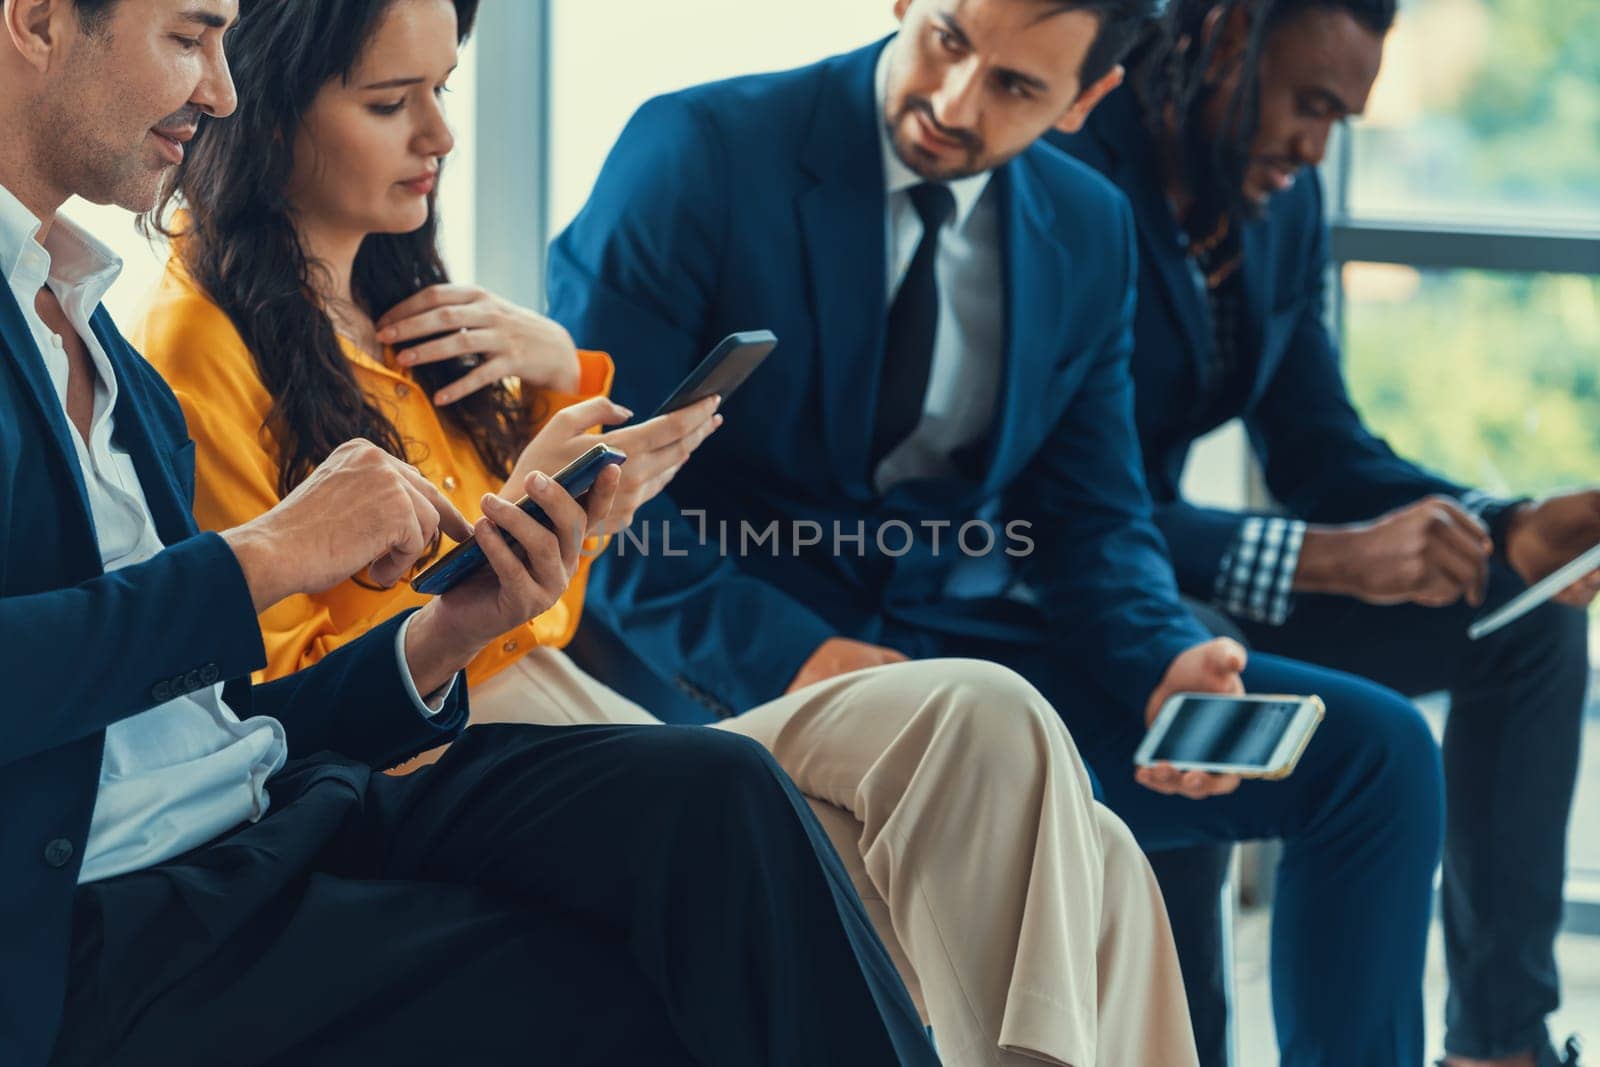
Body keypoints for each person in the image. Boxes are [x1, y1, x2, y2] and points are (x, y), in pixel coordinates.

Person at [133, 1, 1201, 1063]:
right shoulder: (199, 346)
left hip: (591, 723)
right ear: (269, 114)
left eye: (441, 92)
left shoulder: (427, 317)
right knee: (1032, 782)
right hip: (460, 764)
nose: (441, 137)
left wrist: (572, 424)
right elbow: (280, 698)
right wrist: (514, 537)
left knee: (1035, 769)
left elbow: (544, 606)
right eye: (390, 103)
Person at [0, 0, 944, 1063]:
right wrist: (262, 555)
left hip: (270, 806)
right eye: (187, 37)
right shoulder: (174, 342)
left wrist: (448, 630)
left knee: (717, 794)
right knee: (644, 985)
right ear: (37, 21)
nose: (220, 89)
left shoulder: (101, 347)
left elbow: (211, 720)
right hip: (124, 909)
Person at [546, 0, 1451, 1062]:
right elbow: (595, 495)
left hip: (949, 648)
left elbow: (1091, 516)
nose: (951, 102)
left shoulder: (1084, 226)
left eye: (1019, 87)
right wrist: (803, 657)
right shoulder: (697, 153)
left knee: (1375, 754)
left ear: (1087, 100)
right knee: (966, 768)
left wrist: (1163, 658)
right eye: (946, 37)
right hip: (722, 663)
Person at [1049, 2, 1593, 1064]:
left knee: (1524, 630)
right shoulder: (1072, 169)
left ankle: (1498, 1043)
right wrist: (1323, 557)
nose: (1316, 146)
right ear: (1217, 38)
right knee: (1201, 653)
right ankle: (1183, 1042)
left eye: (1342, 118)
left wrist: (1509, 523)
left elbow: (1318, 449)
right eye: (1307, 104)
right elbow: (1066, 505)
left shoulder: (1278, 211)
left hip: (1192, 563)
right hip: (1075, 582)